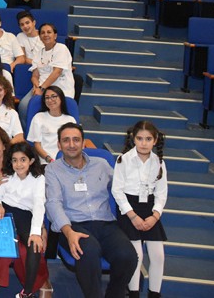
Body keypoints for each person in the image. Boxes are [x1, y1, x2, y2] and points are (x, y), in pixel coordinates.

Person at [45, 123, 138, 298]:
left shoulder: (101, 164)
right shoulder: (53, 169)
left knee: (128, 256)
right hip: (73, 225)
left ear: (83, 143)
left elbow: (122, 186)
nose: (71, 144)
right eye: (66, 140)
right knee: (88, 251)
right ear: (59, 145)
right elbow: (53, 203)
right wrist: (69, 232)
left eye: (76, 140)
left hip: (106, 224)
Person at [112, 121, 168, 298]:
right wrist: (133, 216)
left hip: (150, 210)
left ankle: (154, 294)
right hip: (129, 210)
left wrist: (155, 216)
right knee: (137, 255)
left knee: (158, 255)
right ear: (133, 139)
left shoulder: (159, 162)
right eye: (140, 138)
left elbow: (161, 193)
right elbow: (117, 191)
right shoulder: (123, 160)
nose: (144, 143)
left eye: (148, 139)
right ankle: (134, 293)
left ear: (155, 140)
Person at [0, 142, 48, 298]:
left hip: (24, 215)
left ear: (31, 161)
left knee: (34, 245)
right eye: (14, 160)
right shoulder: (7, 174)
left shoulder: (38, 179)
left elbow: (38, 205)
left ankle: (27, 292)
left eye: (23, 160)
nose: (18, 164)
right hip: (4, 211)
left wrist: (36, 232)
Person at [18, 23, 75, 124]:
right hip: (41, 87)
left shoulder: (61, 48)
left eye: (49, 32)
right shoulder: (38, 53)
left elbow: (57, 72)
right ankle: (28, 132)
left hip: (59, 87)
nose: (46, 35)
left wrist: (42, 89)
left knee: (51, 108)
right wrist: (37, 87)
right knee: (23, 106)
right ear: (40, 37)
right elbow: (35, 75)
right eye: (43, 33)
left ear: (55, 35)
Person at [26, 86, 76, 165]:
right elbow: (37, 145)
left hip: (67, 161)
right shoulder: (39, 117)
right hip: (46, 161)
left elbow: (74, 143)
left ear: (61, 98)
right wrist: (49, 159)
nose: (50, 100)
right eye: (47, 98)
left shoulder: (70, 120)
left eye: (53, 96)